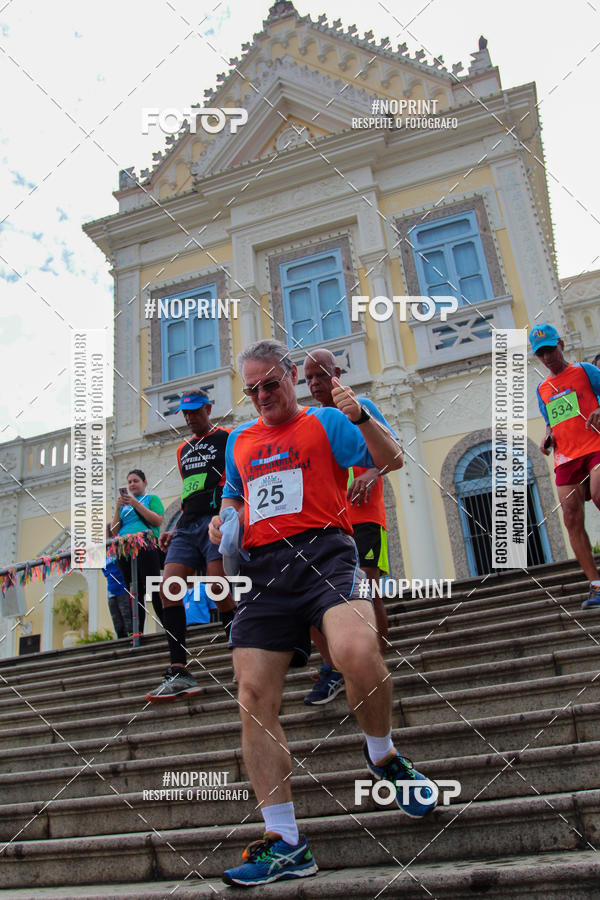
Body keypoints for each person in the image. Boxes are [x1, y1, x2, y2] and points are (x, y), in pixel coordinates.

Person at [209, 339, 438, 889]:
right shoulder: (239, 440)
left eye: (270, 384)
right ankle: (286, 841)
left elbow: (392, 459)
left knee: (356, 651)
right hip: (264, 571)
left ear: (290, 377)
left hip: (327, 554)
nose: (262, 396)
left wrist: (361, 416)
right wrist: (223, 520)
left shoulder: (327, 421)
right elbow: (234, 497)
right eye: (252, 389)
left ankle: (382, 755)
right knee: (252, 695)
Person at [302, 348, 393, 706]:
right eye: (308, 378)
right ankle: (333, 668)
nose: (314, 383)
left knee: (368, 592)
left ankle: (375, 662)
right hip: (326, 524)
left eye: (321, 375)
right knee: (313, 598)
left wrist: (371, 473)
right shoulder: (310, 419)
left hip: (365, 516)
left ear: (337, 373)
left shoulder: (361, 405)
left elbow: (393, 450)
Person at [146, 392, 235, 702]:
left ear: (208, 408)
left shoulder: (227, 438)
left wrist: (229, 515)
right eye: (185, 413)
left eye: (195, 411)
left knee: (218, 587)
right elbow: (189, 492)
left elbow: (235, 480)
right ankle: (179, 670)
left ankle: (240, 651)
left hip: (215, 520)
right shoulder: (182, 449)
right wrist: (175, 528)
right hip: (186, 526)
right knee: (168, 589)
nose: (189, 418)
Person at [531, 323, 600, 608]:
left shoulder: (586, 370)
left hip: (595, 446)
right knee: (570, 517)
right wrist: (547, 437)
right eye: (541, 354)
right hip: (566, 457)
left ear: (561, 344)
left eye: (550, 350)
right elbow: (552, 422)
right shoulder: (542, 389)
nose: (547, 357)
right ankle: (596, 584)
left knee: (599, 494)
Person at [111, 469, 164, 634]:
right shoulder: (124, 506)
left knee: (153, 587)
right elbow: (114, 530)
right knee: (134, 591)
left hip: (145, 546)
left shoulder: (151, 499)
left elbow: (157, 520)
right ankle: (137, 631)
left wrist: (136, 504)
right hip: (125, 550)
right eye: (129, 482)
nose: (132, 484)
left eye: (135, 481)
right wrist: (118, 509)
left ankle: (168, 626)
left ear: (144, 482)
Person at [101, 523, 133, 638]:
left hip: (123, 589)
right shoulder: (104, 553)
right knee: (118, 625)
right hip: (111, 592)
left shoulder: (120, 548)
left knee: (128, 621)